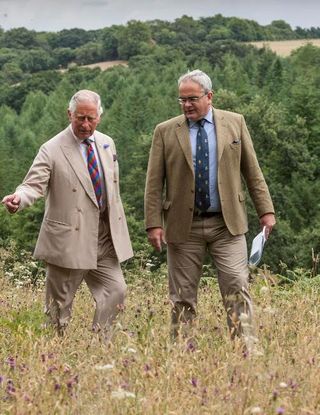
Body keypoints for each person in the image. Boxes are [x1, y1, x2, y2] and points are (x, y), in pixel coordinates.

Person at [144, 70, 275, 350]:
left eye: (192, 99)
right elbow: (154, 182)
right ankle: (182, 354)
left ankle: (245, 351)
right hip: (183, 227)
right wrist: (153, 223)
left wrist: (266, 211)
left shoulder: (235, 123)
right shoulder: (165, 131)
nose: (187, 105)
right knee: (182, 296)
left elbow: (253, 172)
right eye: (182, 100)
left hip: (226, 225)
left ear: (209, 96)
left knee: (237, 286)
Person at [2, 89, 133, 340]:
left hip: (104, 238)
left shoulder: (107, 143)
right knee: (58, 309)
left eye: (91, 118)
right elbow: (33, 184)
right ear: (69, 114)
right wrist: (19, 199)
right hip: (68, 239)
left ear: (99, 117)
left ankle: (100, 344)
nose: (85, 124)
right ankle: (52, 354)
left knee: (116, 291)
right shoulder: (51, 148)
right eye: (80, 118)